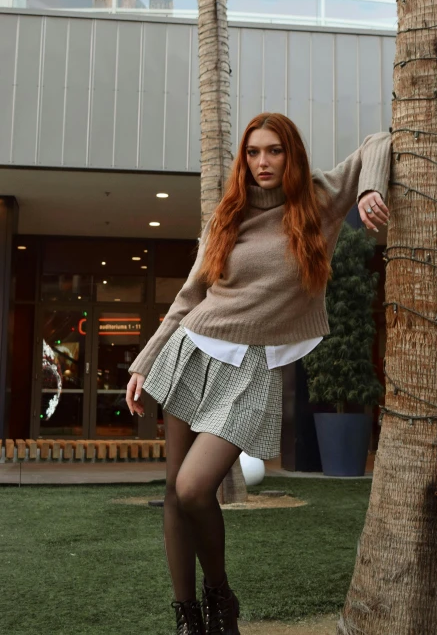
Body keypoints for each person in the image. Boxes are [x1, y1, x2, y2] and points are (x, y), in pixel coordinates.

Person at [125, 113, 391, 635]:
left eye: (273, 151)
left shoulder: (317, 199)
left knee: (197, 487)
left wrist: (368, 193)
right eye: (252, 153)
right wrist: (144, 362)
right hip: (192, 350)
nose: (262, 163)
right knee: (176, 494)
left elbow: (378, 140)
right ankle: (187, 617)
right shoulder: (227, 214)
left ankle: (220, 593)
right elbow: (189, 297)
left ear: (291, 155)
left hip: (252, 364)